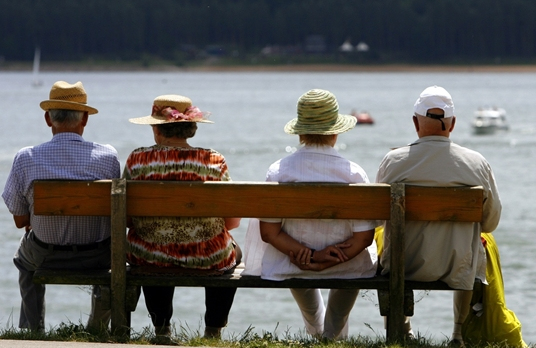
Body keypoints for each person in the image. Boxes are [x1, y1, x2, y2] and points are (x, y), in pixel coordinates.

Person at [376, 85, 525, 346]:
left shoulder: (394, 161)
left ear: (415, 122)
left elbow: (376, 218)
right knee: (478, 244)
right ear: (452, 124)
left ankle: (402, 329)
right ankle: (457, 334)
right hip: (458, 266)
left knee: (382, 237)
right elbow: (490, 223)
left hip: (404, 264)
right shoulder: (476, 163)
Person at [242, 89, 378, 340]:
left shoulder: (279, 171)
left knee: (299, 268)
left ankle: (317, 330)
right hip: (347, 262)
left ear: (300, 132)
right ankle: (332, 335)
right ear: (336, 132)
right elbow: (364, 238)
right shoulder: (354, 173)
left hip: (292, 259)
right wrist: (331, 257)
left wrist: (311, 255)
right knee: (352, 272)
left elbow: (269, 232)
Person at [2, 81, 120, 332]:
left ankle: (34, 329)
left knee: (23, 260)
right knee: (113, 250)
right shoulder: (108, 157)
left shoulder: (26, 158)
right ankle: (97, 327)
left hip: (46, 254)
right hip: (96, 256)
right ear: (85, 119)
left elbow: (20, 220)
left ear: (48, 119)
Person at [124, 94, 242, 342]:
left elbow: (127, 219)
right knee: (232, 253)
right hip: (206, 255)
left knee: (155, 245)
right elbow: (231, 223)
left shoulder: (137, 160)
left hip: (149, 254)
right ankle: (213, 332)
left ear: (157, 129)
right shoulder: (214, 160)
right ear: (191, 127)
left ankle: (162, 328)